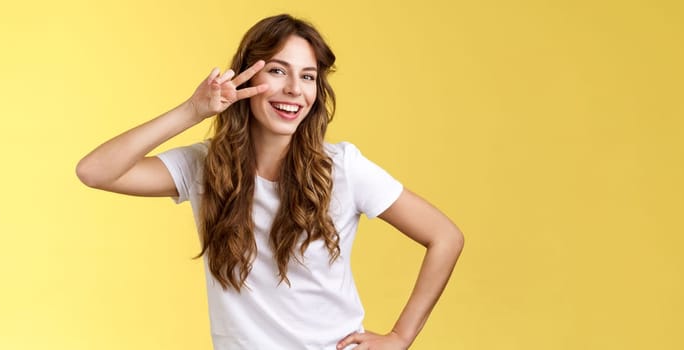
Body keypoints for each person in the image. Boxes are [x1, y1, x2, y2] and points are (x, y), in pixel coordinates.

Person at [76, 14, 463, 350]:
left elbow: (445, 237)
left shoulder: (342, 167)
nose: (294, 89)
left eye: (307, 76)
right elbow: (95, 171)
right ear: (248, 75)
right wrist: (193, 110)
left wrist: (401, 336)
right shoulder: (205, 167)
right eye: (278, 70)